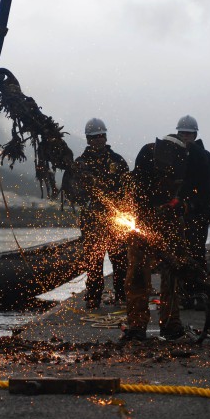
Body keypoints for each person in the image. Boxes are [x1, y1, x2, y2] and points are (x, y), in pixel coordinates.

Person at [121, 133, 208, 341]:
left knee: (173, 273)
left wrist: (182, 205)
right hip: (143, 220)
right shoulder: (147, 156)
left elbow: (199, 196)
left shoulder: (191, 163)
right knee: (137, 275)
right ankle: (136, 327)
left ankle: (171, 325)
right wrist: (148, 216)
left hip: (171, 222)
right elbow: (136, 193)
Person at [74, 118, 130, 309]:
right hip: (91, 220)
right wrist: (87, 201)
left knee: (120, 259)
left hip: (116, 221)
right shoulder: (80, 164)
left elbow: (128, 189)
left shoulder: (117, 161)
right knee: (94, 261)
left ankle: (122, 295)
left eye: (101, 136)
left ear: (105, 137)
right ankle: (93, 297)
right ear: (88, 139)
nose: (98, 140)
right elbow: (72, 190)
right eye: (94, 137)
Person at [175, 115, 210, 305]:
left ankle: (199, 292)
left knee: (196, 254)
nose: (185, 137)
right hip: (177, 215)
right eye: (182, 133)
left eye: (188, 134)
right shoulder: (172, 156)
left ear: (195, 134)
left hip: (197, 216)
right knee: (177, 255)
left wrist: (200, 210)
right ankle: (182, 293)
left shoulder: (207, 158)